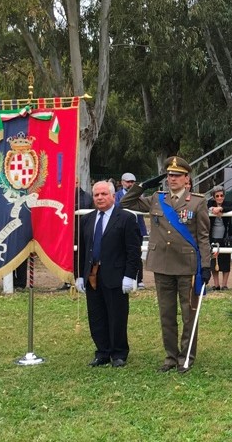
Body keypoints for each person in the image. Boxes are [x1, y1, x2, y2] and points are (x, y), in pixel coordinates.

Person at [121, 156, 211, 373]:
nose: (172, 179)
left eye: (177, 175)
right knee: (167, 314)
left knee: (188, 314)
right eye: (169, 175)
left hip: (187, 264)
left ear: (186, 178)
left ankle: (186, 355)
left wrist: (205, 265)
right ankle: (170, 357)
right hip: (162, 264)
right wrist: (142, 186)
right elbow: (125, 203)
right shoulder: (156, 198)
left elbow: (203, 236)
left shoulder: (197, 202)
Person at [76, 181, 141, 368]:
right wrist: (80, 274)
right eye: (96, 195)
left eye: (104, 194)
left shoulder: (126, 219)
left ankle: (119, 353)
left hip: (116, 276)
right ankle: (102, 352)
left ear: (113, 196)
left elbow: (133, 251)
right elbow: (81, 249)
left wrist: (130, 275)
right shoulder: (87, 220)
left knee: (117, 316)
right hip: (92, 276)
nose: (100, 198)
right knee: (96, 316)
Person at [115, 172, 148, 289]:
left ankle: (139, 279)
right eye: (128, 182)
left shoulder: (140, 196)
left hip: (137, 228)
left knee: (136, 254)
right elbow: (118, 206)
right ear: (122, 182)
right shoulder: (116, 195)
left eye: (132, 182)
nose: (130, 184)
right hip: (121, 228)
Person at [207, 187, 232, 291]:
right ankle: (216, 285)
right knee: (213, 260)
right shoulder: (210, 204)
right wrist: (213, 209)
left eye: (222, 195)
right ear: (213, 197)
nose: (220, 198)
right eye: (217, 196)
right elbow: (206, 207)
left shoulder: (228, 203)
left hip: (225, 237)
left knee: (225, 260)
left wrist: (221, 209)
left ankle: (224, 285)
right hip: (213, 237)